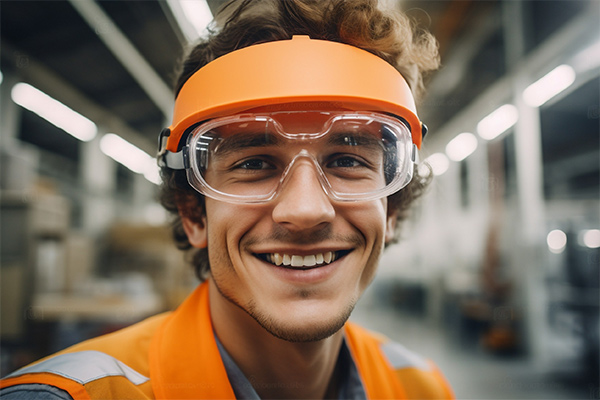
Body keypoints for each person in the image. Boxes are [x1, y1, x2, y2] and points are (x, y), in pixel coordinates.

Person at [1, 0, 453, 398]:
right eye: (254, 164)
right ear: (193, 212)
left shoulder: (420, 388)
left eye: (347, 161)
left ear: (391, 209)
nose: (305, 210)